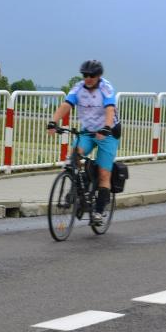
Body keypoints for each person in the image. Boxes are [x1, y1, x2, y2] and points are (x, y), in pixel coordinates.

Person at [47, 60, 120, 226]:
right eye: (85, 75)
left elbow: (110, 109)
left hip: (108, 133)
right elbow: (66, 104)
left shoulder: (106, 88)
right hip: (88, 131)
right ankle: (82, 185)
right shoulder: (78, 88)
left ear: (99, 76)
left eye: (91, 75)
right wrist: (53, 121)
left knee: (104, 173)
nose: (88, 78)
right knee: (74, 157)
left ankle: (99, 212)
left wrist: (107, 127)